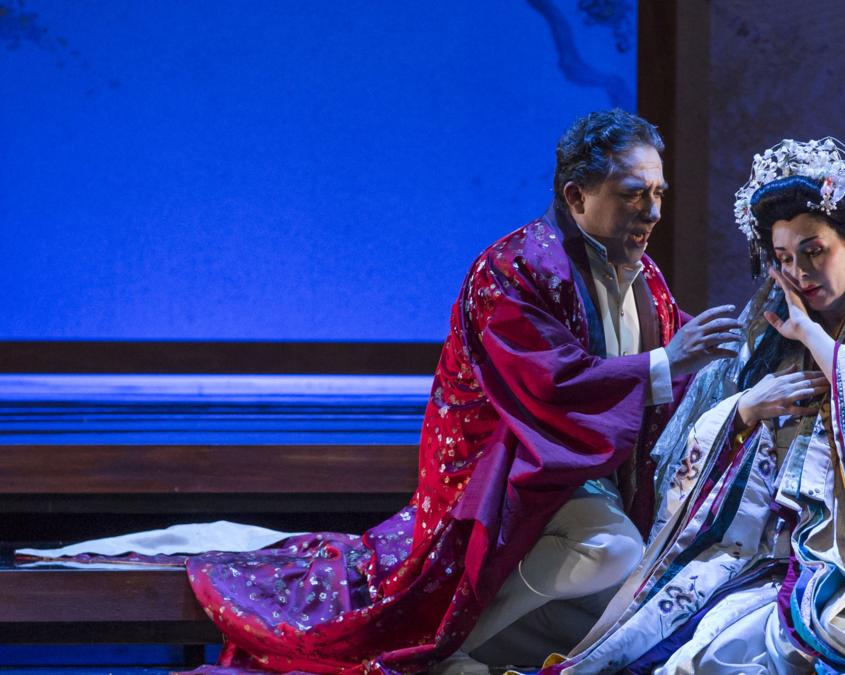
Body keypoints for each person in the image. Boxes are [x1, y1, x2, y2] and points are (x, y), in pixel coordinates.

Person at [138, 110, 741, 674]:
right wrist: (668, 361)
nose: (652, 211)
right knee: (610, 550)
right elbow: (550, 382)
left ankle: (470, 647)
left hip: (581, 468)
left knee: (642, 589)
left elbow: (677, 358)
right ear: (577, 196)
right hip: (504, 465)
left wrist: (741, 356)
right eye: (634, 193)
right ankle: (440, 650)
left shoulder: (643, 275)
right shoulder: (513, 269)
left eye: (658, 193)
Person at [533, 139, 845, 675]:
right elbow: (699, 440)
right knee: (698, 659)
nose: (799, 272)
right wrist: (745, 410)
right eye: (783, 258)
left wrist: (815, 339)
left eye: (814, 251)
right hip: (768, 558)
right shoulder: (767, 334)